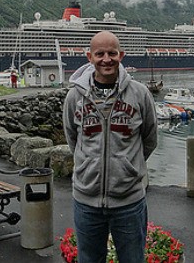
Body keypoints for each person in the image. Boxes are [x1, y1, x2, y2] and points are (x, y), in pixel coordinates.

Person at [62, 31, 158, 263]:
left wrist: (128, 167)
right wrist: (88, 166)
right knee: (89, 259)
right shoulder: (74, 96)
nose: (107, 59)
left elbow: (150, 139)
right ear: (89, 57)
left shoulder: (139, 94)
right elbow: (73, 139)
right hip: (86, 200)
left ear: (121, 55)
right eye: (100, 54)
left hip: (129, 201)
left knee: (133, 259)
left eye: (112, 53)